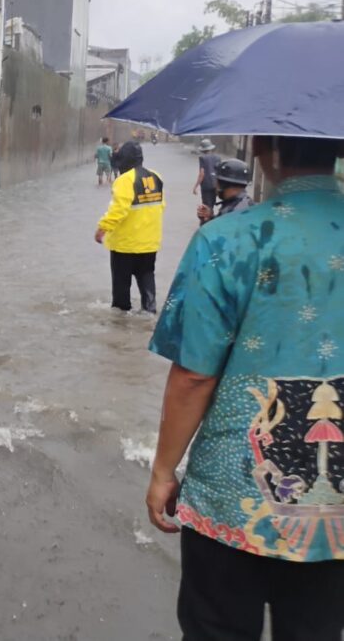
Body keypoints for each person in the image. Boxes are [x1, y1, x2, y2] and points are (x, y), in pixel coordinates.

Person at [146, 135, 344, 640]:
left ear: (263, 150)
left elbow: (194, 374)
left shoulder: (226, 240)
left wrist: (164, 470)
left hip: (234, 501)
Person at [94, 140, 164, 313]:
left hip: (125, 245)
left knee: (121, 287)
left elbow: (119, 209)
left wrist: (102, 228)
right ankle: (149, 313)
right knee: (147, 278)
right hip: (149, 243)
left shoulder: (125, 180)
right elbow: (161, 206)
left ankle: (120, 322)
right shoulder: (156, 176)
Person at [195, 157, 253, 223]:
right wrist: (210, 217)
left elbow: (216, 231)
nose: (215, 186)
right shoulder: (247, 203)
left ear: (223, 184)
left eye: (216, 182)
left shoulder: (231, 213)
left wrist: (207, 222)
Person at [192, 138, 221, 224]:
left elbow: (202, 173)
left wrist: (195, 186)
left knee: (206, 203)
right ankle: (210, 218)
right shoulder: (218, 157)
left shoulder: (202, 158)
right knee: (212, 202)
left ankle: (207, 221)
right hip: (215, 184)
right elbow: (219, 172)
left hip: (206, 185)